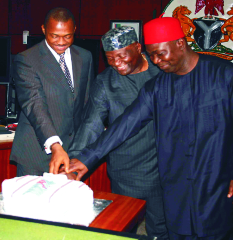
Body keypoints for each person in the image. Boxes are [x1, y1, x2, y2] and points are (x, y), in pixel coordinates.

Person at [52, 17, 233, 239]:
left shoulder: (226, 75)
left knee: (217, 233)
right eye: (152, 55)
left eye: (161, 54)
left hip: (216, 181)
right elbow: (125, 124)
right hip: (175, 183)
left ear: (180, 43)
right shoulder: (158, 86)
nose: (157, 61)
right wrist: (86, 158)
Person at [66, 26, 167, 239]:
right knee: (125, 226)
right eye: (110, 58)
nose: (117, 63)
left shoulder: (162, 71)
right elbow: (91, 124)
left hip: (163, 166)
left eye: (122, 56)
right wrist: (75, 160)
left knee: (162, 227)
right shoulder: (106, 82)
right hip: (126, 167)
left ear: (139, 48)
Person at [10, 7, 94, 176]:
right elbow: (35, 104)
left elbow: (85, 104)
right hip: (36, 154)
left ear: (74, 30)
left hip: (71, 155)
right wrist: (56, 145)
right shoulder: (27, 59)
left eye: (67, 36)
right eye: (54, 35)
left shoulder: (85, 57)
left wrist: (80, 151)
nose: (61, 42)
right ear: (43, 30)